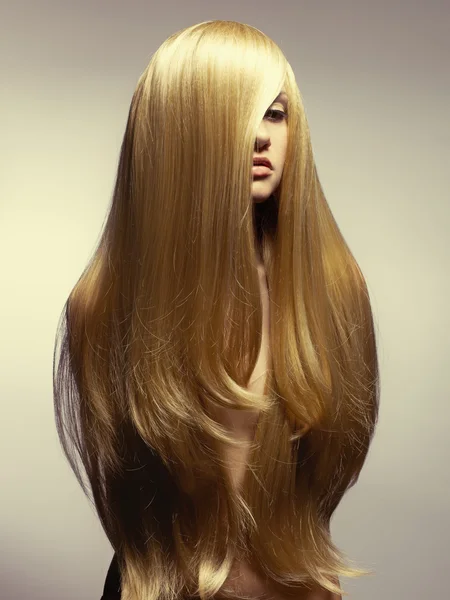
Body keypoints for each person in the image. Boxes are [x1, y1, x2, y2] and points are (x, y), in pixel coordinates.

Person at [53, 19, 379, 600]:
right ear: (183, 131)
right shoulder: (101, 307)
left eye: (276, 113)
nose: (263, 137)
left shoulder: (334, 291)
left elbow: (328, 471)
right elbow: (130, 494)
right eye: (238, 114)